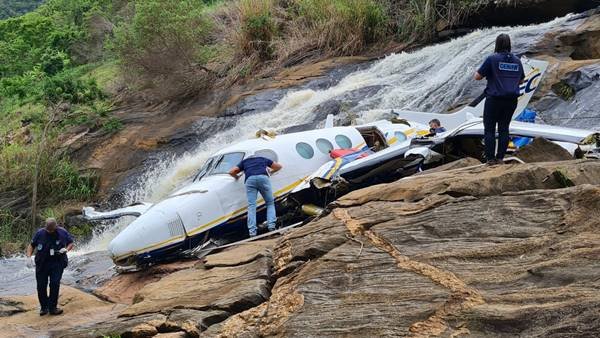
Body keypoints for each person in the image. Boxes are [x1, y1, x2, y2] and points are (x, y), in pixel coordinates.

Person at [475, 33, 525, 165]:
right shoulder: (517, 60)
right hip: (511, 100)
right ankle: (500, 158)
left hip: (494, 99)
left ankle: (490, 159)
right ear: (509, 44)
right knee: (504, 128)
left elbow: (477, 76)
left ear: (497, 44)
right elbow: (521, 80)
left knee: (489, 129)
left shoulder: (492, 59)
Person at [26, 218, 74, 316]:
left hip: (57, 262)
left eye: (52, 230)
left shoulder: (62, 232)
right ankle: (44, 307)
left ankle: (53, 308)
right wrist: (28, 257)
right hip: (42, 263)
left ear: (56, 227)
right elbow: (31, 245)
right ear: (45, 227)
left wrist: (66, 249)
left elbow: (71, 243)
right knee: (41, 285)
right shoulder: (39, 233)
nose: (50, 232)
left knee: (55, 284)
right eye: (48, 230)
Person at [229, 155, 282, 237]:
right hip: (263, 178)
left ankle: (252, 232)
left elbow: (232, 171)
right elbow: (279, 166)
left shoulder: (245, 162)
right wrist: (271, 172)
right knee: (270, 203)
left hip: (250, 180)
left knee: (252, 206)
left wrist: (237, 177)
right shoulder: (262, 158)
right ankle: (272, 227)